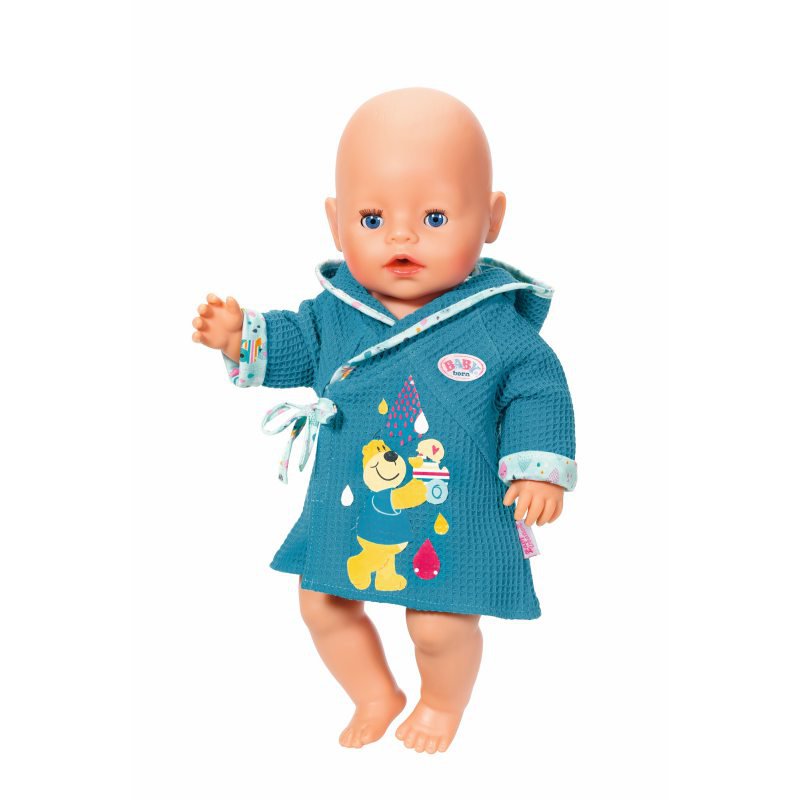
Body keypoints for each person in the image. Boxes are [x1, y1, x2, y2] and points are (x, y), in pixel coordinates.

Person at [191, 87, 577, 754]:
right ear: (336, 223)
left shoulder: (494, 324)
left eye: (434, 216)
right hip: (349, 500)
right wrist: (241, 335)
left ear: (491, 218)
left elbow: (537, 391)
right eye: (372, 219)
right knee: (321, 605)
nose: (401, 236)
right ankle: (374, 693)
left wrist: (538, 468)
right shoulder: (336, 311)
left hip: (451, 505)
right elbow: (294, 342)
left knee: (438, 625)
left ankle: (441, 702)